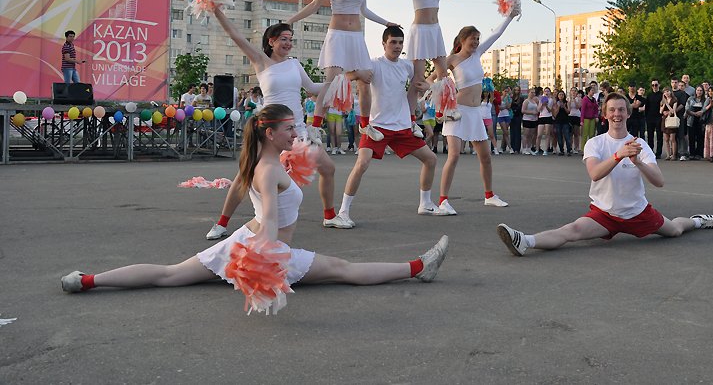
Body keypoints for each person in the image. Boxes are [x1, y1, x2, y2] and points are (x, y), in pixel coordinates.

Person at [61, 104, 449, 297]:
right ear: (269, 132)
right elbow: (270, 218)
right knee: (343, 269)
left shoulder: (265, 159)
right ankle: (418, 267)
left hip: (243, 243)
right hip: (263, 246)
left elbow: (280, 190)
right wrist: (268, 260)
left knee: (170, 274)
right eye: (289, 128)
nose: (294, 132)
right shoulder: (267, 171)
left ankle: (88, 280)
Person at [495, 93, 713, 257]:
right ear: (604, 115)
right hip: (604, 214)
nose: (617, 114)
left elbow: (659, 181)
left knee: (675, 230)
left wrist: (638, 162)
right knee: (571, 231)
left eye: (621, 110)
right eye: (612, 110)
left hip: (638, 212)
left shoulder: (639, 144)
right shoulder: (595, 143)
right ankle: (524, 241)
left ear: (628, 113)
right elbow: (595, 174)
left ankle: (699, 221)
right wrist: (618, 156)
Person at [204, 6, 350, 237]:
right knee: (245, 175)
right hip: (272, 130)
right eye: (283, 39)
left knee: (328, 169)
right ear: (271, 41)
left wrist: (339, 82)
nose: (288, 43)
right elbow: (236, 35)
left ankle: (330, 216)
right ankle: (222, 223)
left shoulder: (294, 64)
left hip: (298, 130)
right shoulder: (260, 61)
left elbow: (312, 88)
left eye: (290, 39)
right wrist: (217, 11)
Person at [287, 0, 398, 145]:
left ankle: (365, 125)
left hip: (356, 37)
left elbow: (364, 9)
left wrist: (386, 22)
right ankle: (314, 127)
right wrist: (290, 20)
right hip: (337, 35)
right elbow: (314, 4)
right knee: (331, 83)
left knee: (365, 81)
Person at [338, 26, 443, 222]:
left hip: (402, 126)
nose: (397, 46)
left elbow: (421, 81)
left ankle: (425, 204)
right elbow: (347, 75)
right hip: (377, 126)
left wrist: (430, 86)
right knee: (361, 164)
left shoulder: (406, 66)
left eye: (400, 43)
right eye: (393, 42)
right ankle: (343, 212)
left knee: (431, 159)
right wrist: (358, 74)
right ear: (384, 44)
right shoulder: (375, 64)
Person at [436, 10, 519, 213]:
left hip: (475, 112)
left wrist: (509, 16)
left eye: (477, 39)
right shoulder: (452, 59)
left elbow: (496, 34)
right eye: (472, 39)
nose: (475, 42)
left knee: (485, 156)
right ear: (462, 39)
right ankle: (443, 201)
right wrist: (422, 87)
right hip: (457, 111)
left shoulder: (478, 54)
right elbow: (433, 78)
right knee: (454, 155)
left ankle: (489, 195)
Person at [388, 0, 458, 130]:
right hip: (419, 30)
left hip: (435, 30)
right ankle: (409, 119)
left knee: (443, 74)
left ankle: (445, 111)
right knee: (418, 78)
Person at [685, 85, 708, 160]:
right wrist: (694, 113)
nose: (699, 92)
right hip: (691, 120)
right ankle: (692, 153)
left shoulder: (705, 100)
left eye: (701, 90)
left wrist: (701, 112)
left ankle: (699, 154)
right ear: (695, 91)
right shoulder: (690, 99)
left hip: (701, 121)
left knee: (700, 138)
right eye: (698, 90)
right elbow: (687, 108)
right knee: (691, 138)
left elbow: (705, 108)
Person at [644, 80, 663, 157]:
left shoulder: (662, 95)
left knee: (659, 135)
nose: (654, 86)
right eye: (653, 85)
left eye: (656, 85)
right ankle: (650, 151)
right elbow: (647, 107)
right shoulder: (649, 95)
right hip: (650, 117)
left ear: (659, 85)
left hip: (659, 117)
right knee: (650, 135)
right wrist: (646, 117)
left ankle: (658, 153)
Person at [660, 87, 679, 160]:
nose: (666, 93)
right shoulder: (662, 101)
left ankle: (674, 155)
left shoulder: (674, 100)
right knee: (666, 139)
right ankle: (668, 155)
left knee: (672, 139)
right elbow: (660, 111)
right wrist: (664, 104)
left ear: (671, 92)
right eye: (665, 92)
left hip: (671, 119)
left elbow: (673, 110)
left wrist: (667, 104)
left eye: (668, 91)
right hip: (665, 120)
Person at [521, 87, 539, 155]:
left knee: (531, 135)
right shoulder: (526, 101)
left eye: (534, 92)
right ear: (528, 93)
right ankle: (524, 148)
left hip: (534, 119)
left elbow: (537, 109)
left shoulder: (534, 101)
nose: (533, 94)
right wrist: (531, 112)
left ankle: (529, 148)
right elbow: (523, 110)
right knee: (526, 134)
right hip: (527, 119)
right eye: (531, 92)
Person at [552, 90, 570, 156]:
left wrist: (564, 107)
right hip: (558, 121)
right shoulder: (556, 103)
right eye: (559, 95)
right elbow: (555, 114)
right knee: (559, 136)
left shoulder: (567, 102)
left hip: (565, 121)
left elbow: (568, 112)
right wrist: (559, 107)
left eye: (562, 94)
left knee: (567, 136)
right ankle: (561, 150)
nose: (561, 96)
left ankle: (568, 150)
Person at [496, 87, 513, 154]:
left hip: (507, 115)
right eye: (505, 91)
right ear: (502, 91)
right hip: (501, 116)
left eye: (507, 91)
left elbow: (508, 107)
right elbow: (499, 107)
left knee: (505, 133)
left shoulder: (509, 99)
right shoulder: (500, 98)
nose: (506, 93)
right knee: (505, 132)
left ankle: (501, 147)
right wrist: (504, 106)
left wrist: (505, 105)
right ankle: (510, 147)